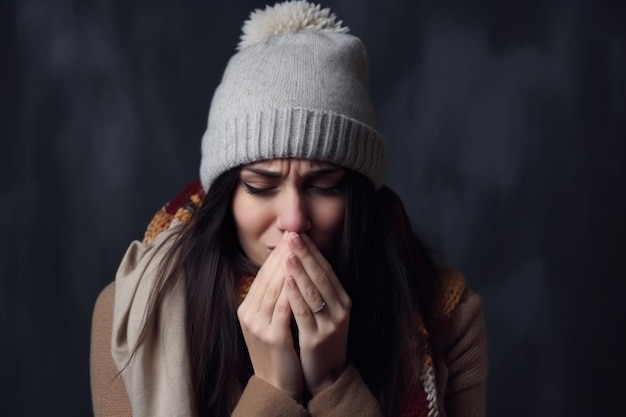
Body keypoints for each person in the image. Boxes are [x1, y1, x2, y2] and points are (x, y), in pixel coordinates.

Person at [90, 1, 488, 416]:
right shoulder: (133, 315)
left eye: (325, 186)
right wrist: (273, 389)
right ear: (226, 198)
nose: (294, 220)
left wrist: (335, 382)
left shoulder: (448, 315)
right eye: (261, 187)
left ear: (358, 195)